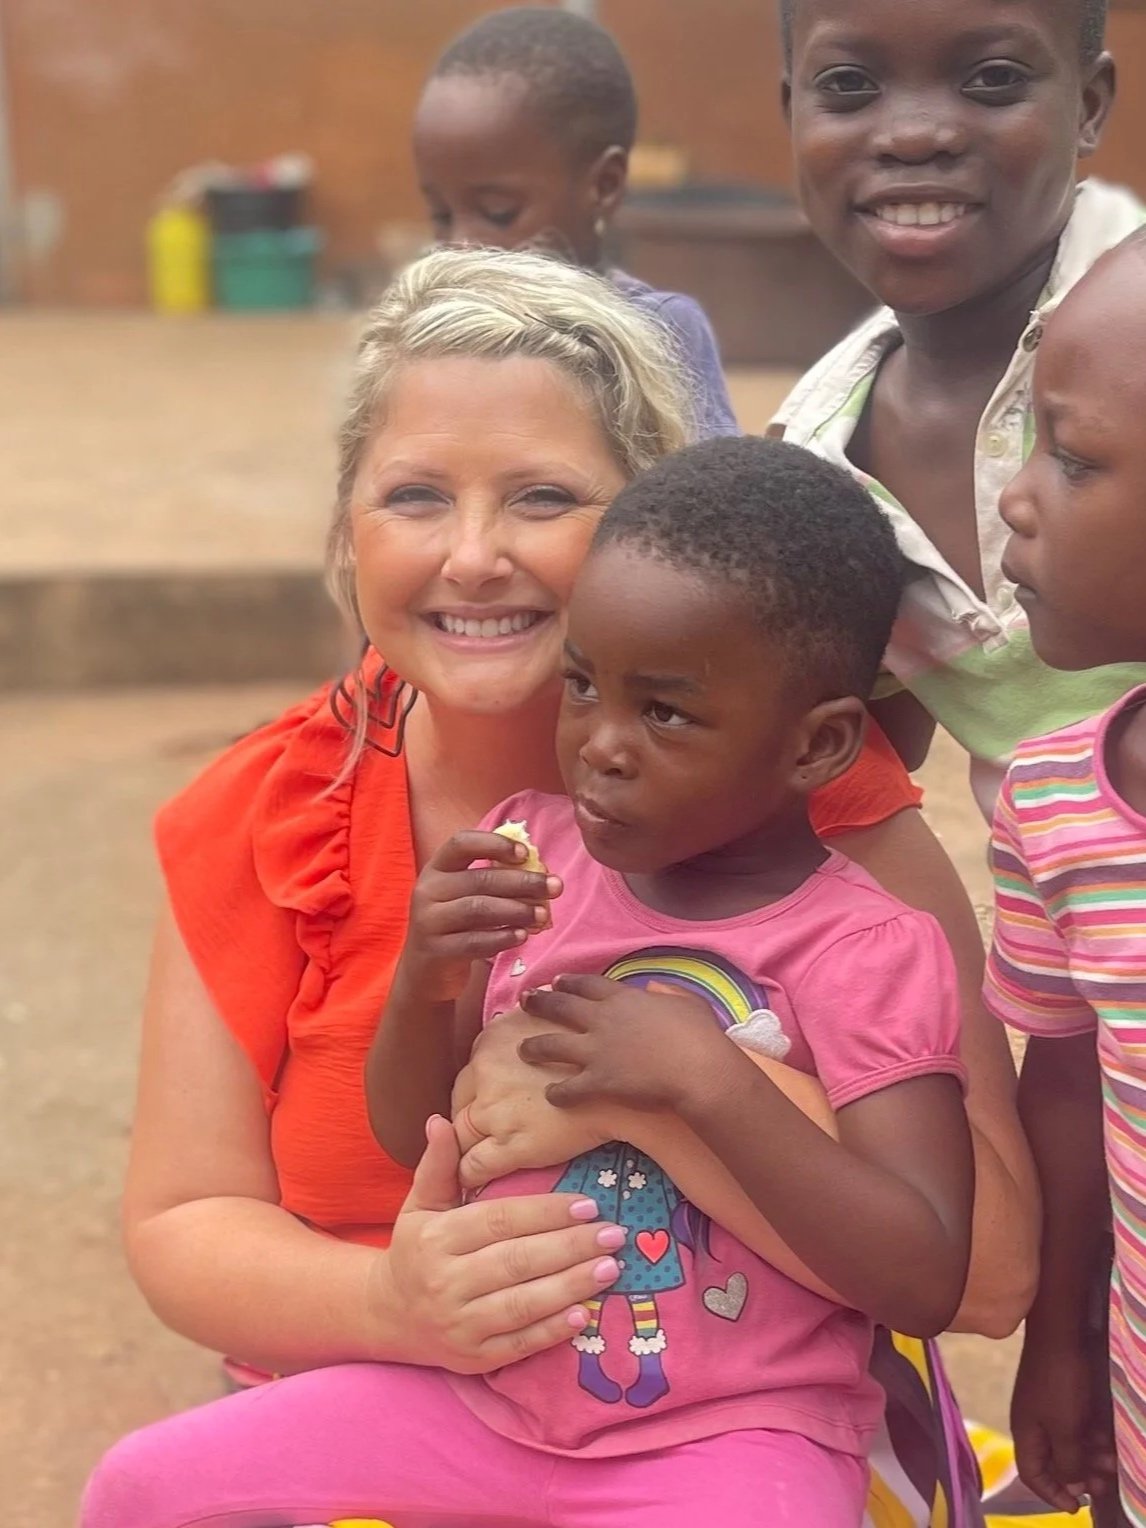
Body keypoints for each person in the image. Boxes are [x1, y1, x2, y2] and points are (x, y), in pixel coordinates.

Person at [82, 248, 1033, 1526]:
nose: (473, 556)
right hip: (436, 1410)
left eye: (541, 496)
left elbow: (980, 1273)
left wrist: (665, 1097)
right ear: (346, 523)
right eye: (414, 495)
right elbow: (192, 1216)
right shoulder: (293, 819)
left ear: (646, 522)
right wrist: (393, 1306)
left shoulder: (812, 815)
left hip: (734, 1428)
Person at [772, 0, 1146, 819]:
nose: (915, 134)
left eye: (993, 79)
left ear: (1087, 106)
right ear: (792, 110)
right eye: (847, 84)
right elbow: (858, 766)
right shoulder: (816, 466)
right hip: (1066, 933)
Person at [986, 231, 1146, 1528]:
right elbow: (1065, 1087)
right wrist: (1060, 1337)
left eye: (1072, 456)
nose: (1017, 498)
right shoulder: (1053, 800)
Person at [413, 5, 739, 439]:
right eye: (442, 216)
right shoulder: (430, 341)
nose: (461, 244)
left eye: (498, 213)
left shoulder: (659, 334)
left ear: (603, 185)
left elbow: (712, 499)